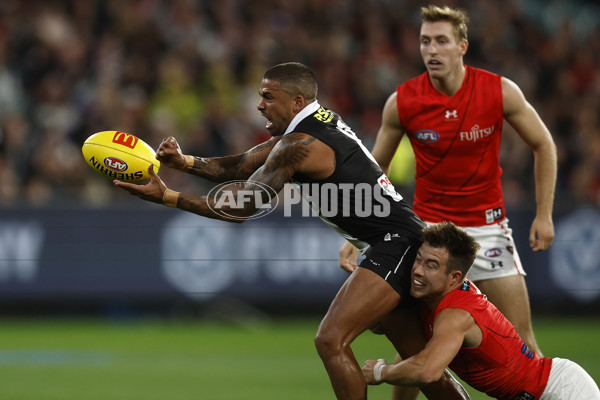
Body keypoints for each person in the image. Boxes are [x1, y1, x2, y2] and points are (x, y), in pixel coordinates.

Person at [114, 62, 469, 400]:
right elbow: (241, 164)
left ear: (296, 101)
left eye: (268, 96)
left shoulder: (299, 145)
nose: (259, 105)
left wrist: (169, 197)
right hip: (401, 241)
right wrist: (186, 162)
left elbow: (241, 206)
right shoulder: (313, 126)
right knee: (420, 361)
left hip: (396, 245)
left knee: (331, 340)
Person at [340, 4, 557, 358]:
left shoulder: (499, 91)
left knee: (523, 345)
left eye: (441, 41)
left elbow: (543, 144)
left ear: (462, 46)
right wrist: (357, 231)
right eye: (425, 41)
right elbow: (373, 168)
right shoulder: (402, 102)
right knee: (413, 346)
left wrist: (544, 213)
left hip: (488, 229)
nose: (431, 50)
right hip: (428, 233)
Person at [362, 221, 600, 400]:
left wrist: (381, 372)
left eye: (431, 265)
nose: (418, 271)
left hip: (563, 392)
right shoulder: (434, 292)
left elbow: (428, 371)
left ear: (454, 277)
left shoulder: (456, 314)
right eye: (418, 260)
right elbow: (379, 325)